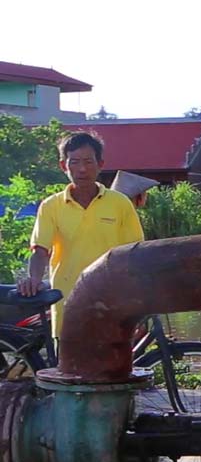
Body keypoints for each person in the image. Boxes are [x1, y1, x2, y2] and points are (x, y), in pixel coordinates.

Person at [18, 132, 145, 338]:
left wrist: (139, 299)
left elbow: (134, 253)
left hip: (112, 300)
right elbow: (40, 250)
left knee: (115, 365)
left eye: (88, 161)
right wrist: (33, 279)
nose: (82, 169)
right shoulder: (51, 206)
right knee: (68, 367)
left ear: (100, 163)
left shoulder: (120, 203)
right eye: (74, 162)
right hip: (68, 301)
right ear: (63, 166)